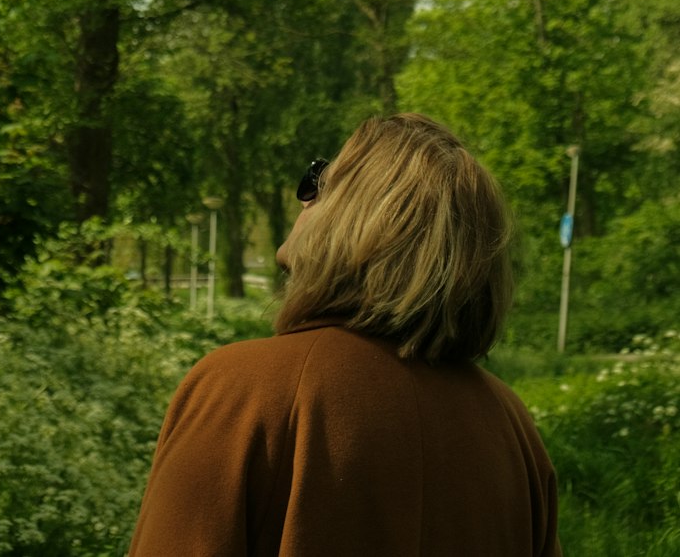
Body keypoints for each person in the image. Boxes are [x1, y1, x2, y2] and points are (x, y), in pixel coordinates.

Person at [128, 113, 561, 556]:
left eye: (318, 180)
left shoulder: (245, 390)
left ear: (360, 218)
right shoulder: (510, 425)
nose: (304, 199)